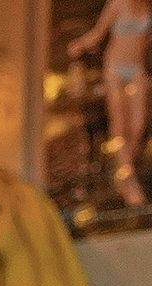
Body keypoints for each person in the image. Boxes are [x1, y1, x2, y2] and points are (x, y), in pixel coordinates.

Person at [70, 0, 152, 207]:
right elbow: (98, 34)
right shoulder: (117, 4)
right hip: (115, 68)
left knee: (138, 126)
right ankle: (128, 181)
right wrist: (80, 44)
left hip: (137, 69)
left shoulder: (147, 7)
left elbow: (145, 41)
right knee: (120, 126)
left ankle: (121, 172)